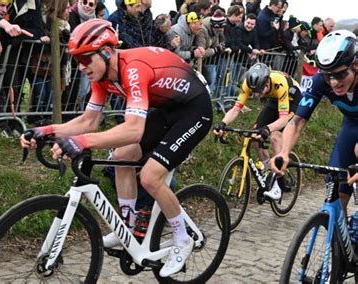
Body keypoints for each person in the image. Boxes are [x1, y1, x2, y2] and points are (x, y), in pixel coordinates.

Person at [20, 19, 213, 277]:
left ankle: (182, 239)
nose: (81, 67)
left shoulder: (133, 68)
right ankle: (129, 227)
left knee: (150, 177)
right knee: (121, 156)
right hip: (168, 110)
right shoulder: (102, 75)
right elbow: (89, 121)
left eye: (85, 59)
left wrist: (82, 142)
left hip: (194, 110)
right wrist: (45, 131)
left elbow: (133, 129)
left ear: (107, 51)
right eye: (77, 60)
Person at [270, 30, 358, 213]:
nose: (334, 83)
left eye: (340, 75)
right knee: (335, 184)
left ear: (356, 65)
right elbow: (296, 121)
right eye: (328, 76)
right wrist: (284, 152)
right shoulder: (320, 81)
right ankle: (337, 236)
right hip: (351, 125)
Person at [214, 62, 302, 200]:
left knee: (275, 137)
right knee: (255, 135)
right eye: (254, 92)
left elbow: (284, 119)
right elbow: (236, 108)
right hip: (274, 100)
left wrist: (268, 129)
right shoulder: (248, 85)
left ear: (267, 81)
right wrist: (222, 123)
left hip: (292, 100)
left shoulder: (279, 83)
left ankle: (279, 177)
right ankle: (269, 169)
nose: (257, 94)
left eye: (260, 90)